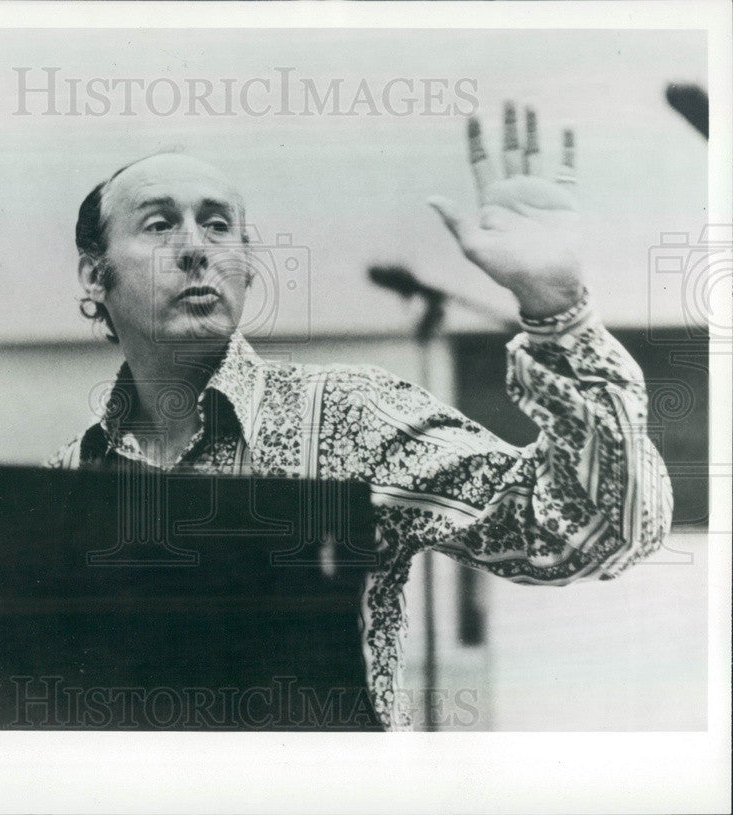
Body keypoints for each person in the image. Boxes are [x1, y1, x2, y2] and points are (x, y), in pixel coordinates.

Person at [46, 104, 674, 731]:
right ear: (95, 273)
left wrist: (557, 304)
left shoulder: (353, 416)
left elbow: (590, 530)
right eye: (159, 225)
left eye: (218, 227)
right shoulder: (68, 476)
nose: (195, 249)